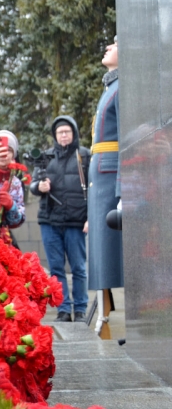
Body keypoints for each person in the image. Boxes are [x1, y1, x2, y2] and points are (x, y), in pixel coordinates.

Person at [30, 116, 90, 322]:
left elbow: (94, 190)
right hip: (50, 221)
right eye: (59, 132)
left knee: (79, 268)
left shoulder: (84, 156)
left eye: (67, 131)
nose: (63, 135)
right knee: (56, 268)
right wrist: (39, 187)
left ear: (73, 133)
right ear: (55, 136)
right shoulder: (46, 157)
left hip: (76, 221)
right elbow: (33, 184)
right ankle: (63, 309)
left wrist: (90, 218)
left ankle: (81, 309)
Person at [88, 36, 123, 337]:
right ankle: (107, 316)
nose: (108, 47)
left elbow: (128, 142)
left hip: (111, 178)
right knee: (102, 252)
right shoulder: (112, 88)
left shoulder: (122, 88)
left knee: (112, 253)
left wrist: (123, 190)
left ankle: (117, 320)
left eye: (116, 43)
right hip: (102, 177)